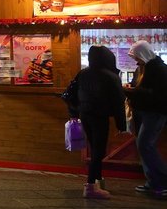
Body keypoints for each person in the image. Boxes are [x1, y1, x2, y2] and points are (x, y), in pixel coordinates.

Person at [63, 46, 127, 199]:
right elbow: (119, 102)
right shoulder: (111, 76)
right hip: (100, 117)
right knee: (99, 151)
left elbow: (70, 93)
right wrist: (121, 124)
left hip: (85, 115)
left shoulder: (83, 73)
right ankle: (91, 186)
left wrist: (74, 112)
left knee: (95, 148)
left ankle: (97, 180)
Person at [125, 40, 167, 199]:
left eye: (137, 56)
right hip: (143, 112)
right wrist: (131, 88)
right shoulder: (141, 69)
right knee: (143, 145)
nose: (136, 60)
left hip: (155, 113)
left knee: (144, 144)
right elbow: (138, 87)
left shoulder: (160, 70)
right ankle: (153, 181)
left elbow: (158, 95)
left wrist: (134, 91)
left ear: (144, 54)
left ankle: (162, 180)